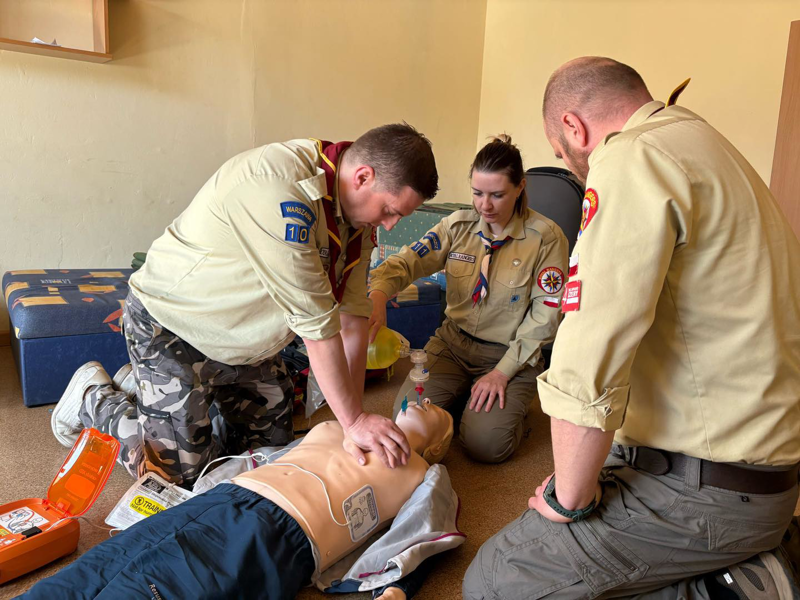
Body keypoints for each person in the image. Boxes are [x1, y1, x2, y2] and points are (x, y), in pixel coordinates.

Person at [463, 57, 800, 599]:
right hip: (754, 468)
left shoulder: (630, 157)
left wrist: (569, 495)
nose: (570, 165)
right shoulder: (702, 143)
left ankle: (734, 587)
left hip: (712, 487)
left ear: (573, 127)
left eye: (560, 153)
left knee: (494, 580)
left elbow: (589, 340)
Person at [51, 124, 439, 488]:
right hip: (173, 327)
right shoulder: (279, 191)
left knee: (268, 458)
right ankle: (95, 399)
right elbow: (316, 328)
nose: (390, 225)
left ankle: (156, 399)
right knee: (179, 479)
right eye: (391, 211)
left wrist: (348, 423)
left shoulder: (357, 220)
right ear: (363, 177)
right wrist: (354, 421)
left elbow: (351, 322)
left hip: (246, 341)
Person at [23, 400, 458, 600]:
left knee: (153, 588)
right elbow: (267, 457)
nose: (425, 401)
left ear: (437, 443)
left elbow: (424, 532)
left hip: (279, 533)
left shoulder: (425, 473)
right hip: (225, 498)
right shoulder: (343, 422)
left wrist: (397, 588)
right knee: (90, 572)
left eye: (438, 412)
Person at [368, 135, 569, 464]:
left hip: (510, 354)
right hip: (453, 345)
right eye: (477, 193)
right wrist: (378, 294)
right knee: (406, 421)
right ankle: (466, 395)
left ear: (520, 187)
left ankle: (508, 410)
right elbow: (405, 263)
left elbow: (545, 317)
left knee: (485, 445)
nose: (484, 205)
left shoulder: (546, 239)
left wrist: (502, 373)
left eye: (497, 195)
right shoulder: (457, 226)